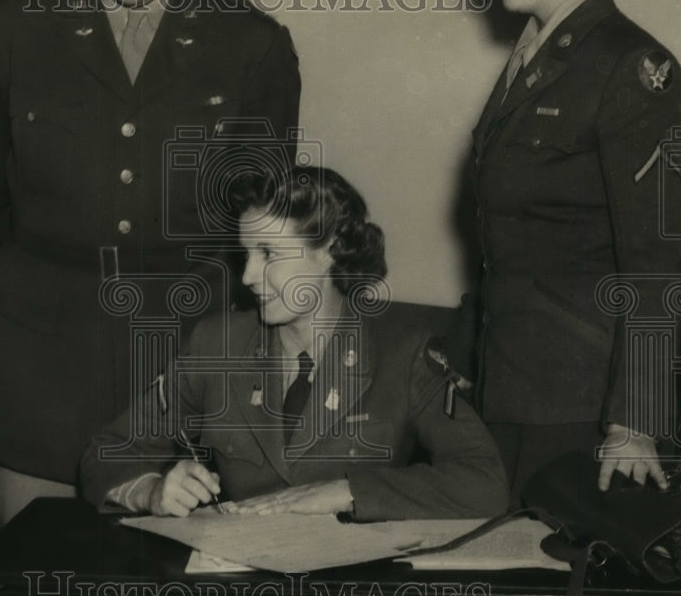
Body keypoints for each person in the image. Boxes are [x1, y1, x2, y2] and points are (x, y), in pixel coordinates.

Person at [0, 0, 301, 523]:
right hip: (37, 368)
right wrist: (43, 277)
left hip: (184, 372)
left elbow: (258, 216)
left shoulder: (250, 44)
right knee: (38, 585)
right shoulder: (7, 26)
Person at [441, 0, 681, 503]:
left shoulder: (630, 67)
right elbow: (507, 245)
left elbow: (655, 257)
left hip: (580, 406)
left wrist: (635, 420)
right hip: (508, 387)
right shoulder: (536, 53)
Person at [80, 166, 508, 520]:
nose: (247, 276)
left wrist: (347, 491)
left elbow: (485, 482)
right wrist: (150, 491)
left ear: (331, 251)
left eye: (268, 254)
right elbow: (106, 453)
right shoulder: (217, 345)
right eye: (246, 254)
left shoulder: (404, 352)